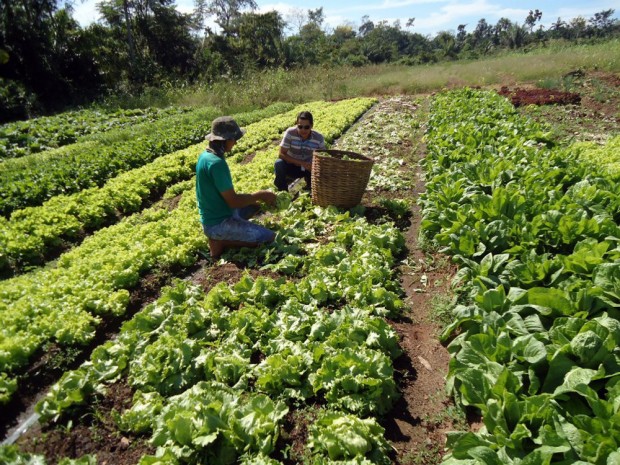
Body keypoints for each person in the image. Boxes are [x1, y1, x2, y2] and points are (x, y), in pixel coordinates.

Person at [196, 116, 277, 258]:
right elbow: (233, 201)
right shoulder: (216, 164)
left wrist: (255, 199)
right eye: (234, 139)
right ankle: (221, 241)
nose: (235, 143)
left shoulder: (205, 156)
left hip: (214, 215)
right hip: (219, 223)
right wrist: (260, 195)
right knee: (270, 237)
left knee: (255, 205)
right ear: (226, 140)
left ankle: (226, 235)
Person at [274, 111, 326, 192]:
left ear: (311, 126)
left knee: (316, 182)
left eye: (306, 127)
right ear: (296, 124)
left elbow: (323, 156)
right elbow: (281, 154)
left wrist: (313, 165)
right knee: (279, 163)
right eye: (300, 126)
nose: (303, 130)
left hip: (309, 168)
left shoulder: (318, 137)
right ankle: (283, 191)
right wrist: (301, 163)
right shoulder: (290, 133)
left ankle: (310, 183)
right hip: (291, 166)